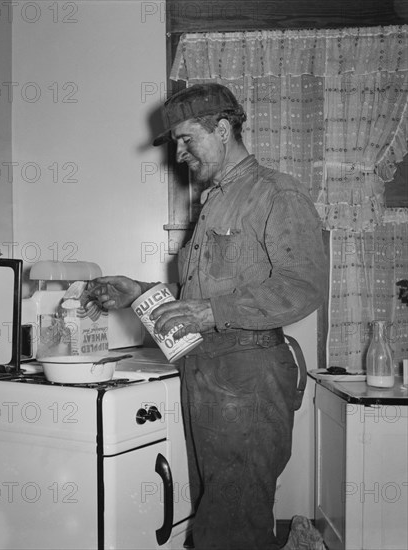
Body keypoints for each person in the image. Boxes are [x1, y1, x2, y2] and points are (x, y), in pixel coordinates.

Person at [85, 83, 328, 550]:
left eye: (185, 139)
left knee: (231, 523)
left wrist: (210, 310)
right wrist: (138, 293)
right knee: (217, 508)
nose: (179, 153)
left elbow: (304, 287)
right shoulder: (215, 200)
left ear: (222, 128)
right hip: (208, 373)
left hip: (248, 376)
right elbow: (198, 299)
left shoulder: (276, 193)